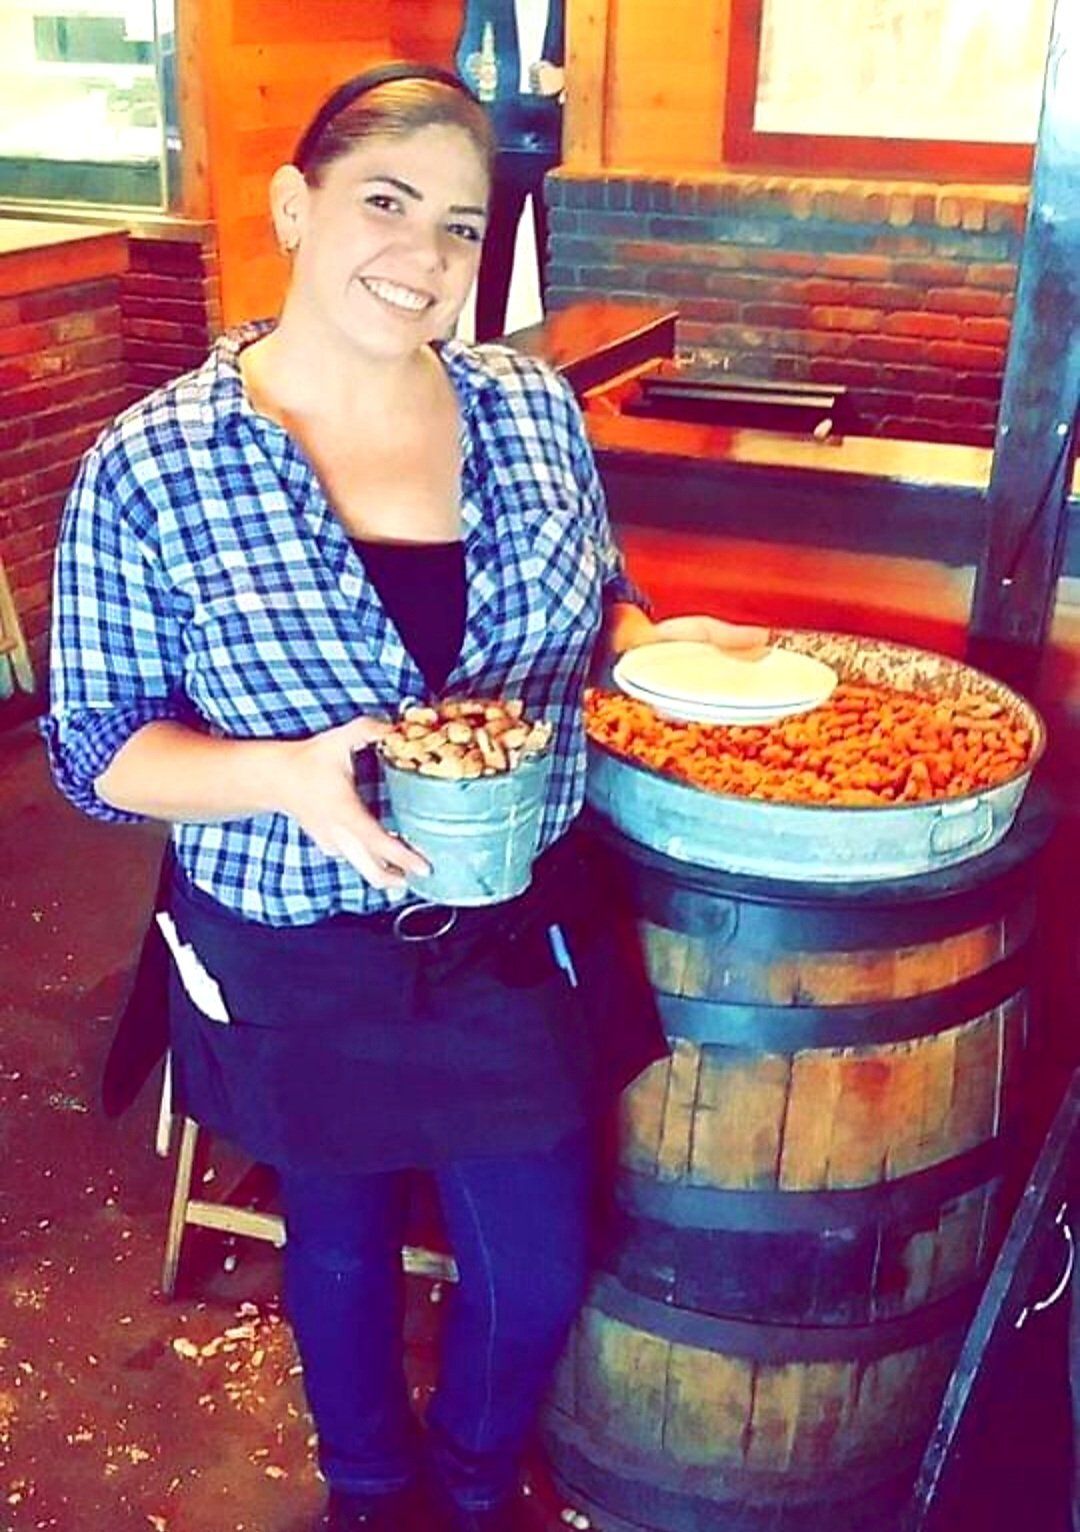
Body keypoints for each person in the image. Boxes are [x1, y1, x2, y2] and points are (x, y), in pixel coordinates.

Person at [44, 63, 768, 1532]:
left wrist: (648, 637)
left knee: (541, 1255)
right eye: (387, 202)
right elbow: (97, 745)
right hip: (300, 938)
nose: (425, 257)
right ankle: (373, 1497)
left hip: (513, 919)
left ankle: (473, 1483)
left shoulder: (523, 407)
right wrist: (280, 780)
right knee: (343, 1230)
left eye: (459, 223)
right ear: (295, 205)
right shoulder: (157, 467)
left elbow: (596, 595)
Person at [455, 0, 564, 339]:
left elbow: (598, 65)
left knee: (553, 256)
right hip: (501, 140)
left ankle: (560, 346)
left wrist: (565, 78)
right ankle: (487, 343)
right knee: (493, 255)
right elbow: (465, 54)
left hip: (558, 143)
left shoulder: (577, 7)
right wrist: (474, 68)